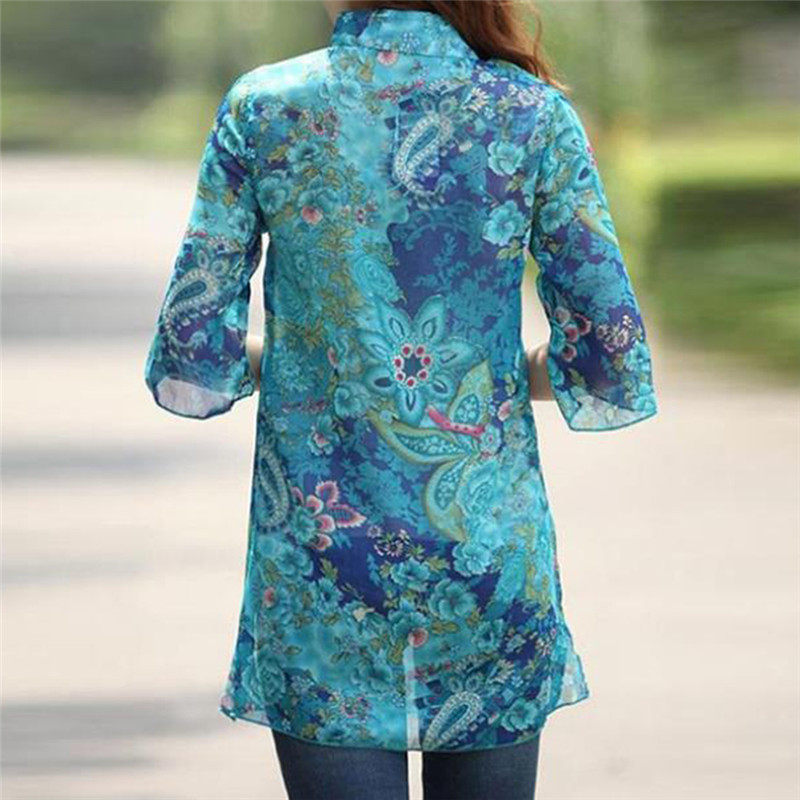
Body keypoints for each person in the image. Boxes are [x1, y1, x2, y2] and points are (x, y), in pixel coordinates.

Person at [143, 0, 658, 797]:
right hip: (485, 554)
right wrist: (483, 379)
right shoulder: (530, 114)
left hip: (320, 563)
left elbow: (193, 350)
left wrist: (321, 368)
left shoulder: (266, 107)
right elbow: (607, 353)